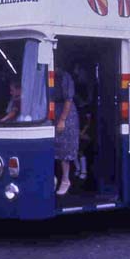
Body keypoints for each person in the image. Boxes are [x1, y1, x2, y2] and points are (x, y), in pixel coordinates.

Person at [53, 67, 79, 196]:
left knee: (65, 148)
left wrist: (62, 119)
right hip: (54, 111)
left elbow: (68, 100)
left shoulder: (65, 77)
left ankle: (65, 179)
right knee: (53, 147)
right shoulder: (48, 75)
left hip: (66, 112)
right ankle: (54, 178)